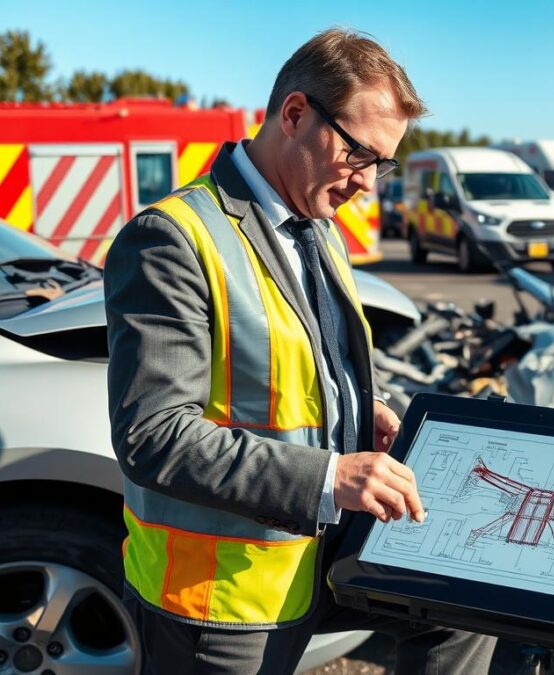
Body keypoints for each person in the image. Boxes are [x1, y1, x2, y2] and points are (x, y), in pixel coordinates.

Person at [105, 28, 496, 674]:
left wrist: (359, 413)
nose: (368, 184)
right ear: (294, 115)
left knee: (459, 608)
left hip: (321, 553)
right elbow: (155, 436)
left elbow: (297, 367)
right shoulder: (172, 239)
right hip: (222, 596)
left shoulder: (319, 228)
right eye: (360, 155)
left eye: (384, 164)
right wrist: (331, 476)